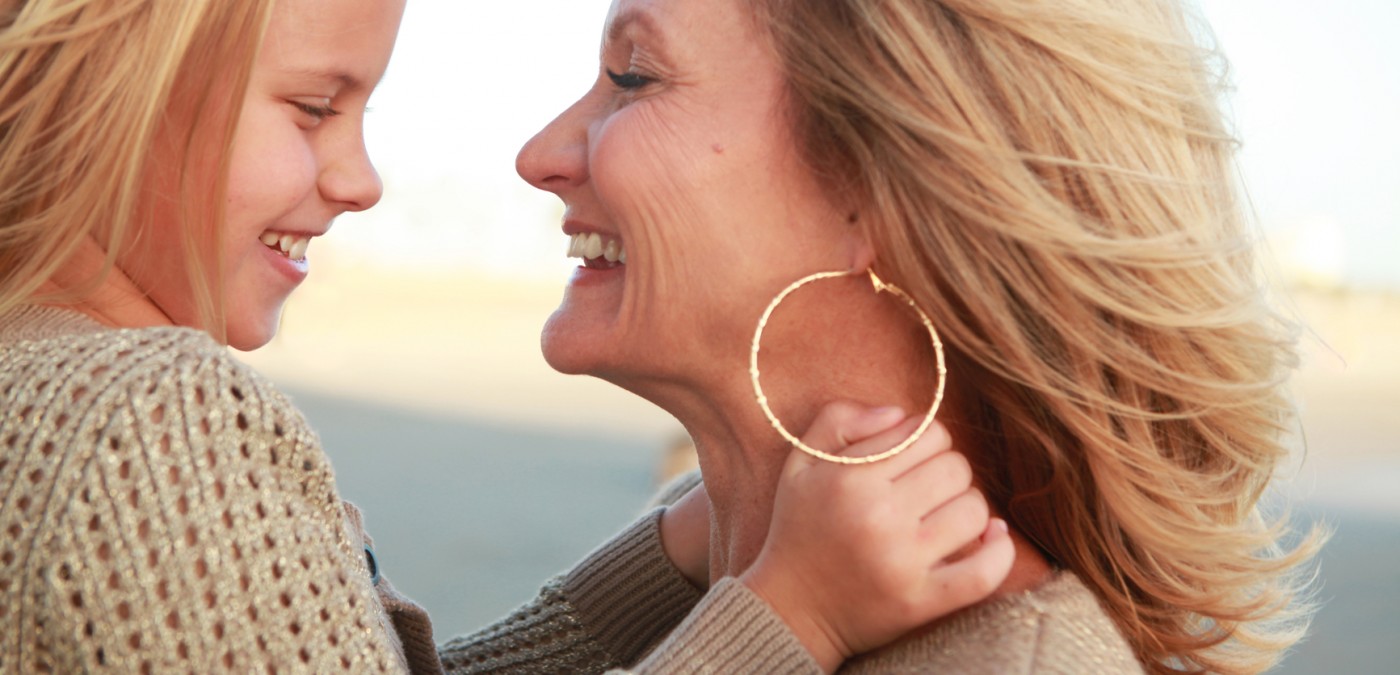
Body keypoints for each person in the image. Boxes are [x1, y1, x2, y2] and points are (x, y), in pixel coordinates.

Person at [0, 0, 1016, 672]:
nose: (360, 179)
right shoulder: (145, 415)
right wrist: (792, 620)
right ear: (108, 80)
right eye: (312, 109)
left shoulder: (41, 376)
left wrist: (664, 565)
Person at [511, 0, 1324, 672]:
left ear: (879, 183)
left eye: (634, 76)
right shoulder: (718, 564)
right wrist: (686, 566)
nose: (538, 153)